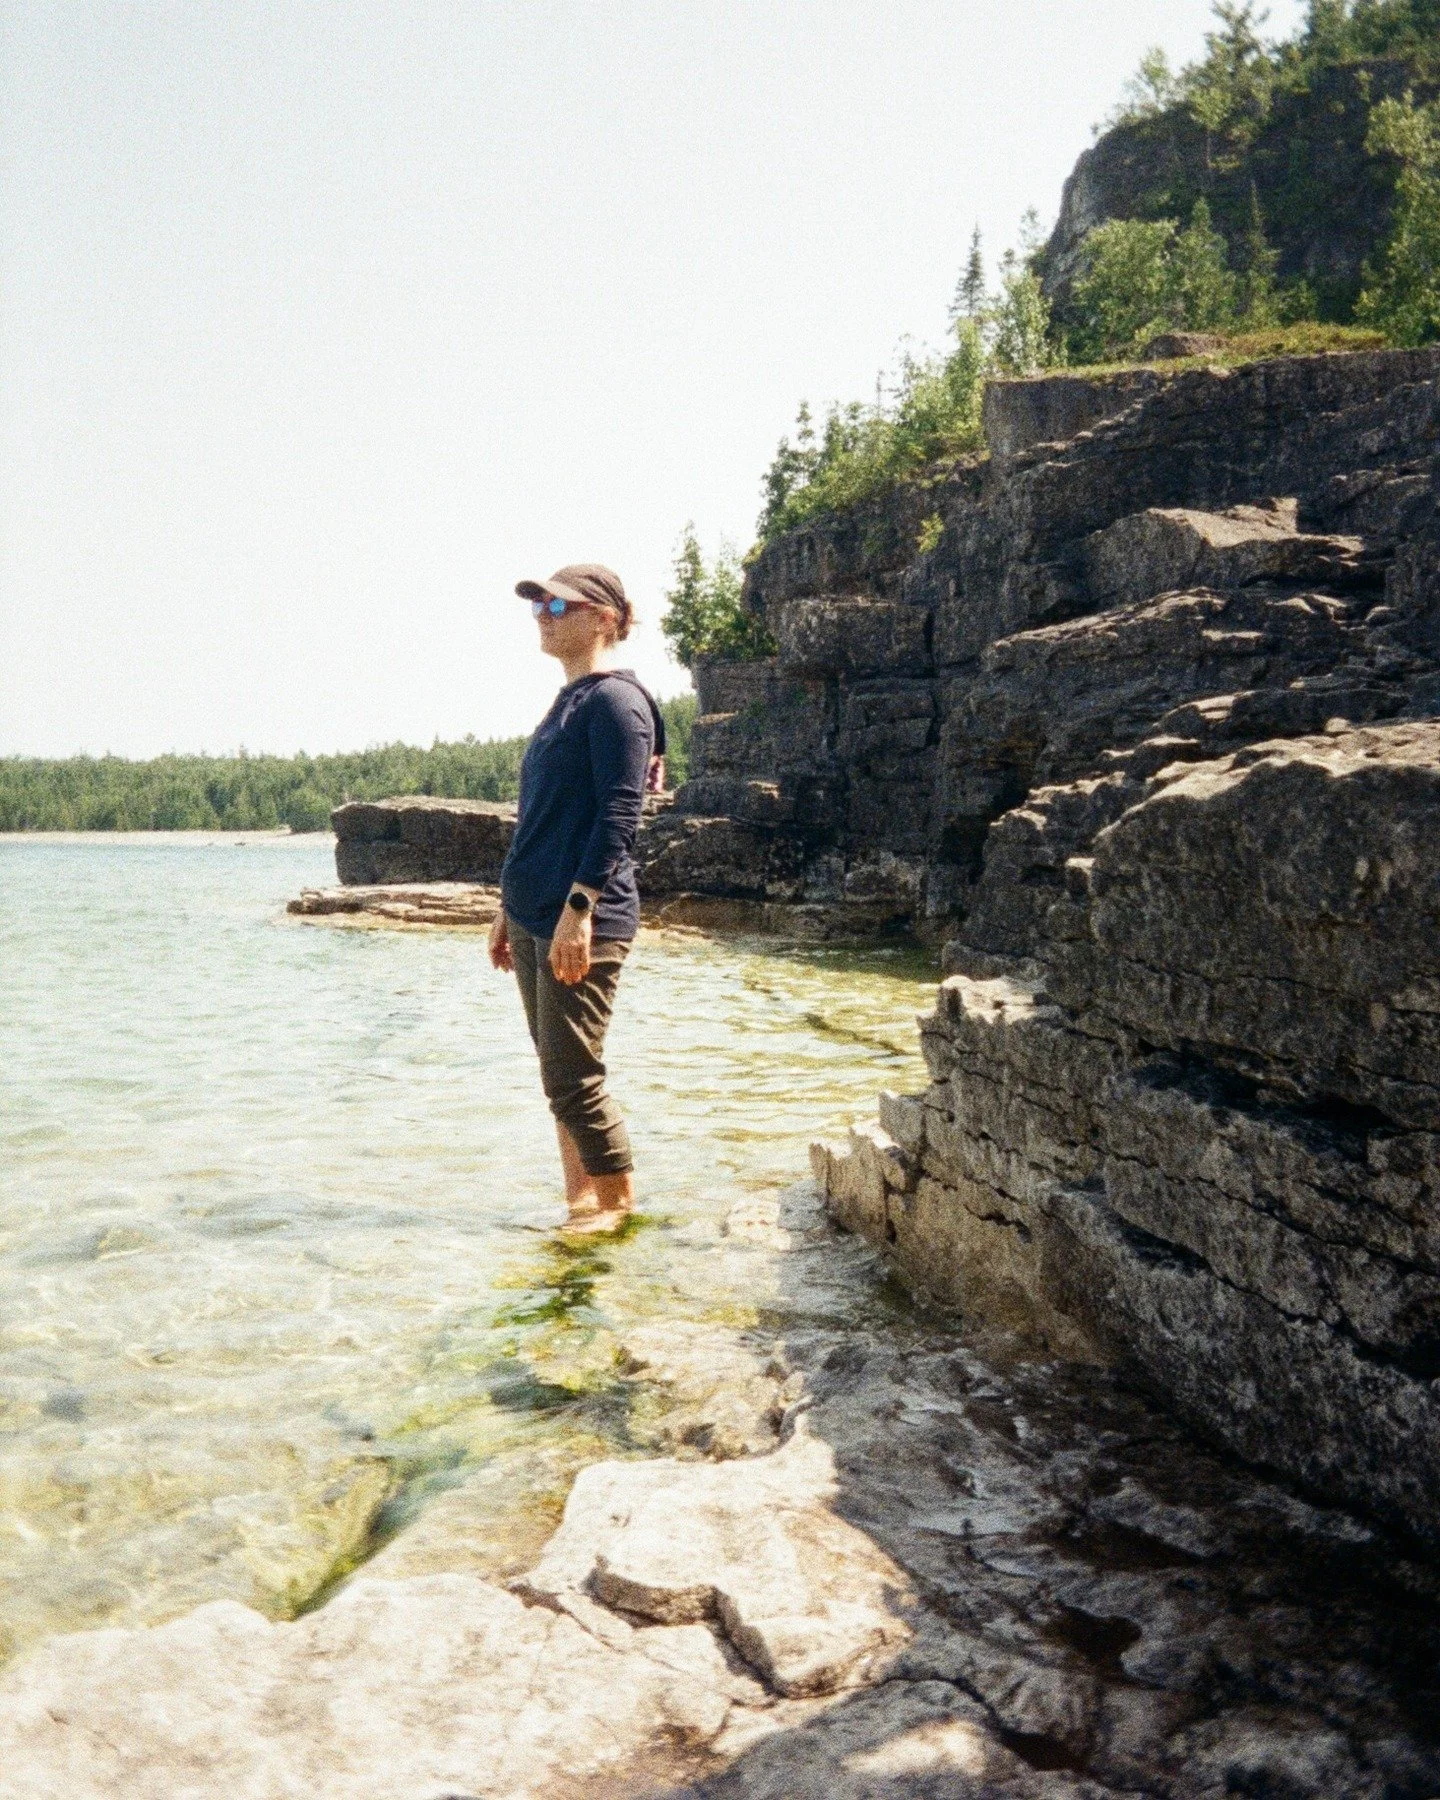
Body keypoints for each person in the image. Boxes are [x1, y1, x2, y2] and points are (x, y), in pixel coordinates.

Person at [487, 563, 665, 1234]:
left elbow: (619, 817)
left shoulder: (617, 702)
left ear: (605, 618)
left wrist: (579, 910)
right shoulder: (567, 702)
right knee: (556, 1071)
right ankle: (580, 1202)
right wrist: (508, 907)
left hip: (581, 917)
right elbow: (541, 814)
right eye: (537, 602)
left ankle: (617, 1208)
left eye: (558, 603)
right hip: (534, 914)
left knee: (574, 1076)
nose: (542, 613)